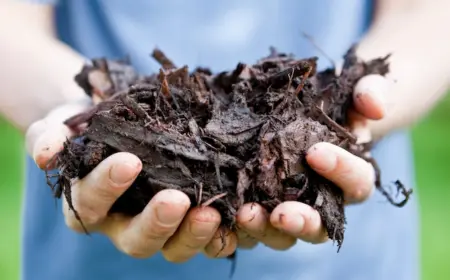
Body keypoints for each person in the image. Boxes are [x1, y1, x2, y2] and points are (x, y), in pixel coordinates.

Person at [1, 0, 449, 279]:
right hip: (93, 258)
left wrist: (367, 99)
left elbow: (426, 12)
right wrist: (75, 105)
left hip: (352, 262)